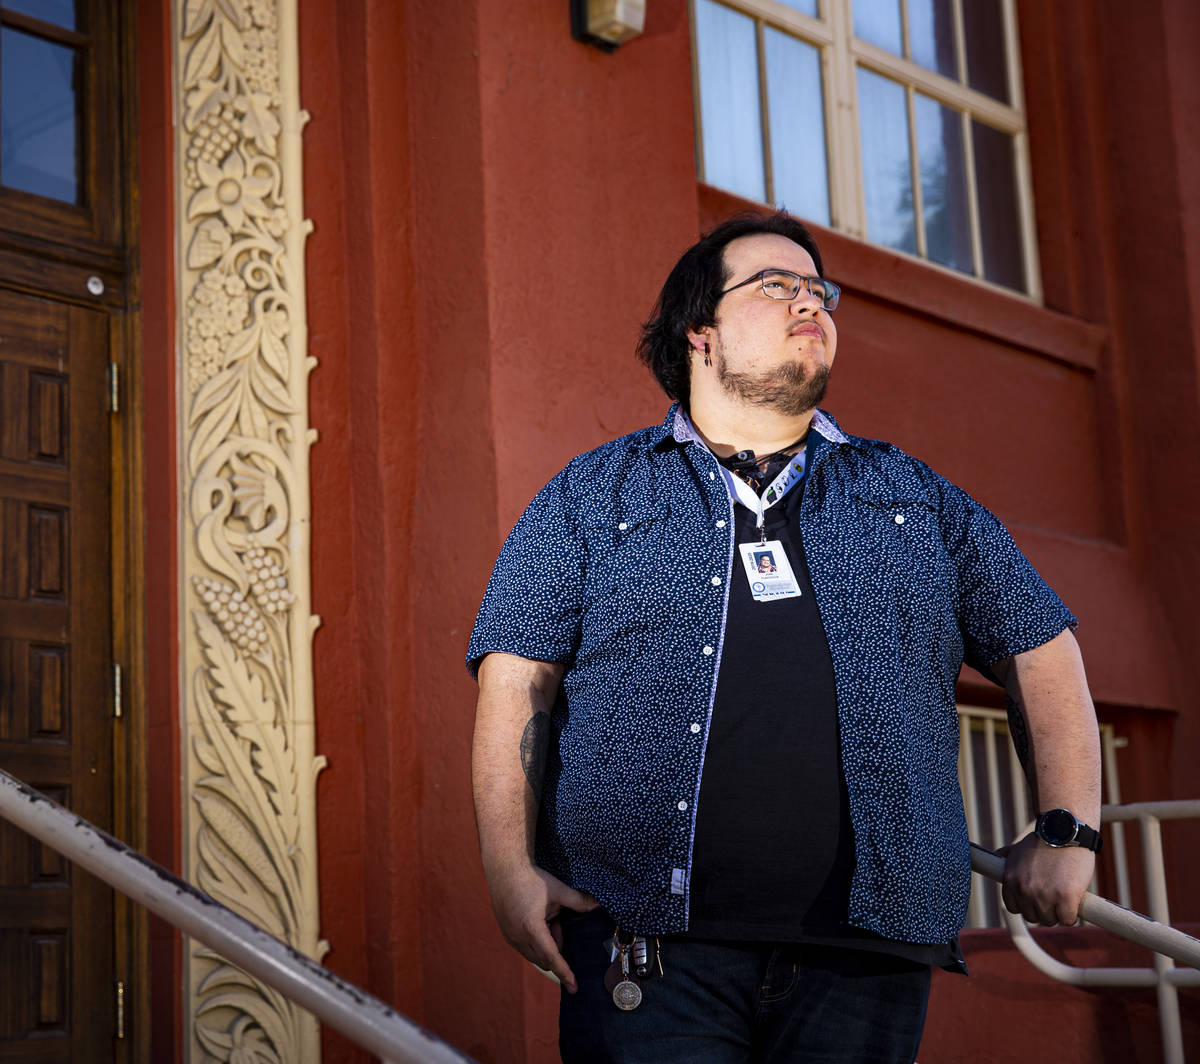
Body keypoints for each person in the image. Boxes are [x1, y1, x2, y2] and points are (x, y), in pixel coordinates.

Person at [467, 211, 1101, 1063]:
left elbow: (1041, 646)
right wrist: (509, 870)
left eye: (819, 291)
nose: (812, 303)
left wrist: (1068, 830)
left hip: (868, 958)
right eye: (777, 286)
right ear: (700, 331)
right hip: (647, 949)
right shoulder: (591, 494)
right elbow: (517, 679)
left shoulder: (915, 497)